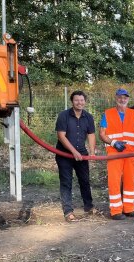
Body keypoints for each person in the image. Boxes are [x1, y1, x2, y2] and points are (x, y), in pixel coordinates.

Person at [99, 88, 134, 220]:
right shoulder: (107, 113)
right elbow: (102, 134)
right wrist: (113, 143)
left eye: (125, 97)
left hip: (130, 153)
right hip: (114, 152)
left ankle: (129, 208)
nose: (122, 100)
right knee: (114, 181)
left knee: (130, 180)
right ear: (116, 98)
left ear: (128, 99)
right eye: (120, 97)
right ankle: (116, 210)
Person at [55, 90, 96, 222]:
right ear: (72, 101)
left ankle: (89, 207)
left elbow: (91, 135)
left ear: (85, 101)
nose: (80, 102)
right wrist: (73, 151)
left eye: (82, 100)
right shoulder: (64, 116)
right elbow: (61, 136)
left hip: (81, 155)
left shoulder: (88, 117)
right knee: (66, 182)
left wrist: (92, 152)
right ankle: (68, 211)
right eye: (77, 100)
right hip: (64, 155)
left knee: (85, 181)